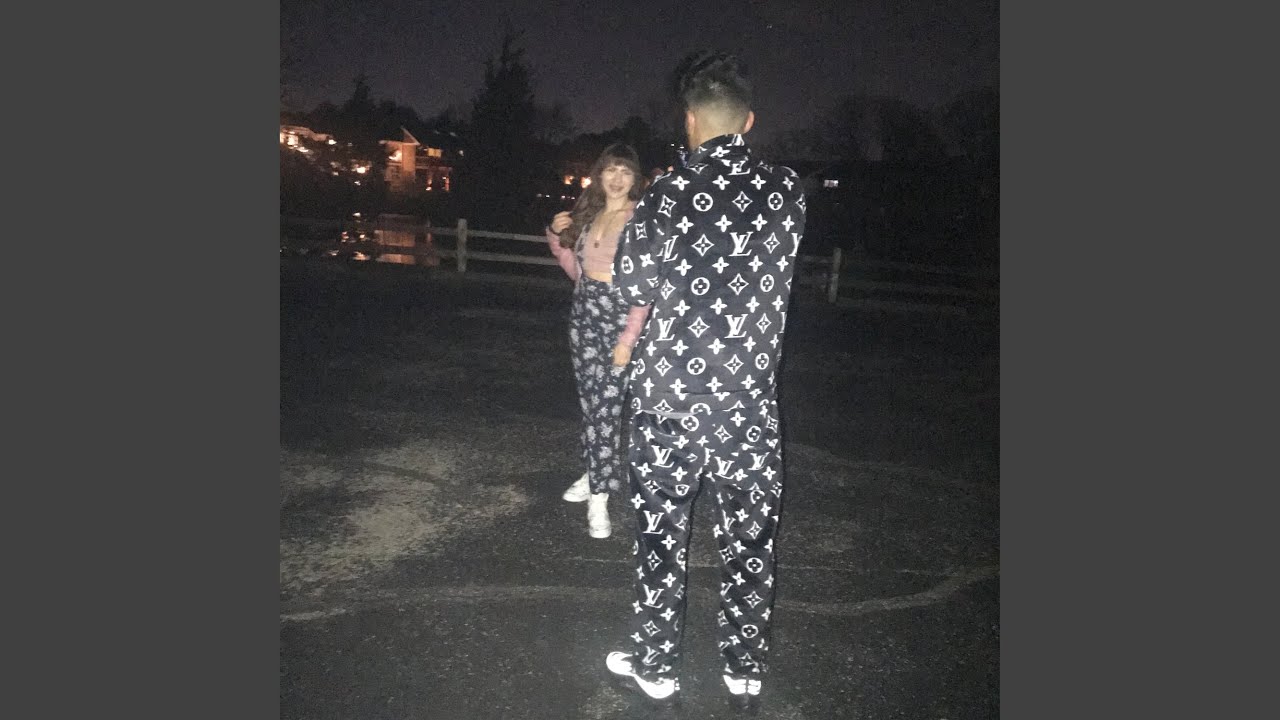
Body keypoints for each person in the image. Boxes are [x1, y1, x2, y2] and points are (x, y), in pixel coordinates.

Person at [603, 51, 806, 711]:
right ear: (748, 121)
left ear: (689, 121)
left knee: (661, 539)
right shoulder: (788, 191)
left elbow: (631, 285)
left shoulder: (665, 195)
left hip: (668, 402)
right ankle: (744, 673)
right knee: (750, 543)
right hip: (748, 408)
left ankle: (657, 667)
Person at [545, 143, 652, 539]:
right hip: (584, 315)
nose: (617, 178)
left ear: (635, 179)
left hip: (619, 317)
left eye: (625, 171)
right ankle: (594, 473)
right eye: (611, 170)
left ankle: (600, 497)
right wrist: (556, 235)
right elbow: (577, 270)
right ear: (599, 175)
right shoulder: (589, 215)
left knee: (606, 408)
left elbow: (645, 287)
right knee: (592, 405)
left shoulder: (639, 219)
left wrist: (628, 338)